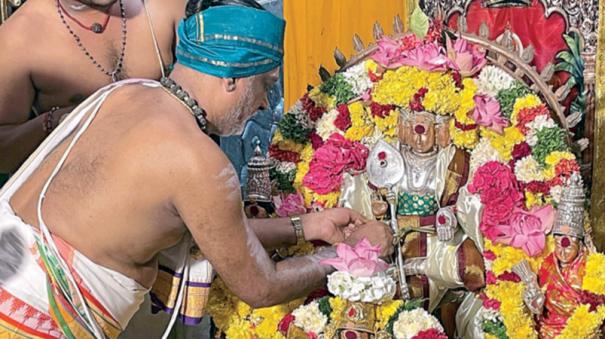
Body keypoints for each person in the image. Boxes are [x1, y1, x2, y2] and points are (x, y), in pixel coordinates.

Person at [0, 1, 394, 338]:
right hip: (30, 323)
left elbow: (213, 228)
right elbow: (261, 285)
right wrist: (355, 254)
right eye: (265, 85)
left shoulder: (126, 94)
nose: (263, 104)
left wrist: (309, 226)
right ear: (232, 80)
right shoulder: (199, 162)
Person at [0, 0, 186, 180]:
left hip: (172, 173)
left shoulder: (165, 6)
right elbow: (3, 153)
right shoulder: (19, 38)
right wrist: (58, 122)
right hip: (81, 193)